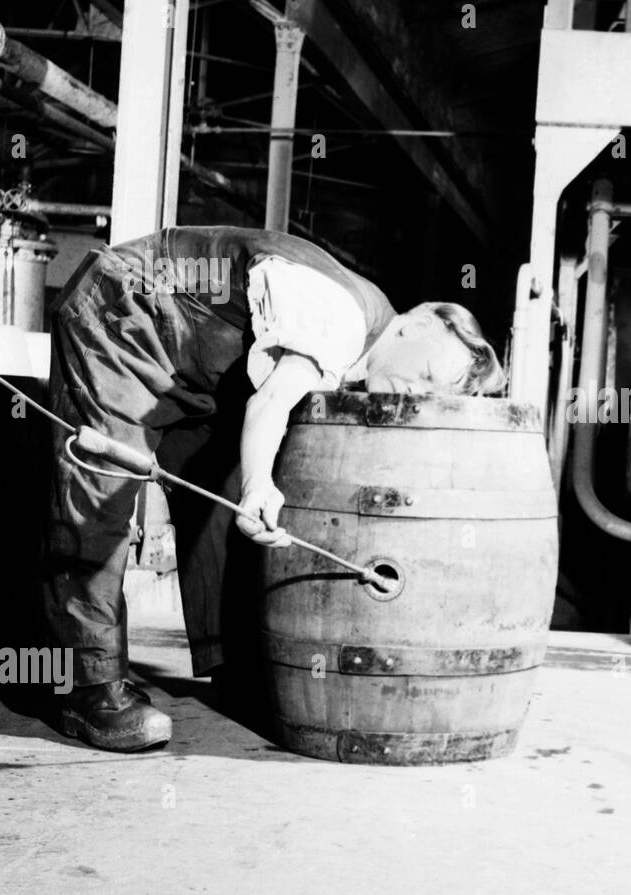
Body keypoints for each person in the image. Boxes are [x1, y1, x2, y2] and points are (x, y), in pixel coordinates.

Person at [45, 225, 503, 752]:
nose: (414, 392)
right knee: (100, 488)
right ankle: (87, 686)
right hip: (122, 310)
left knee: (223, 489)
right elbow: (270, 403)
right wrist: (262, 485)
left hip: (190, 363)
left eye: (431, 391)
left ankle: (235, 669)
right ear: (416, 323)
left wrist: (251, 482)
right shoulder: (342, 319)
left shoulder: (367, 335)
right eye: (423, 371)